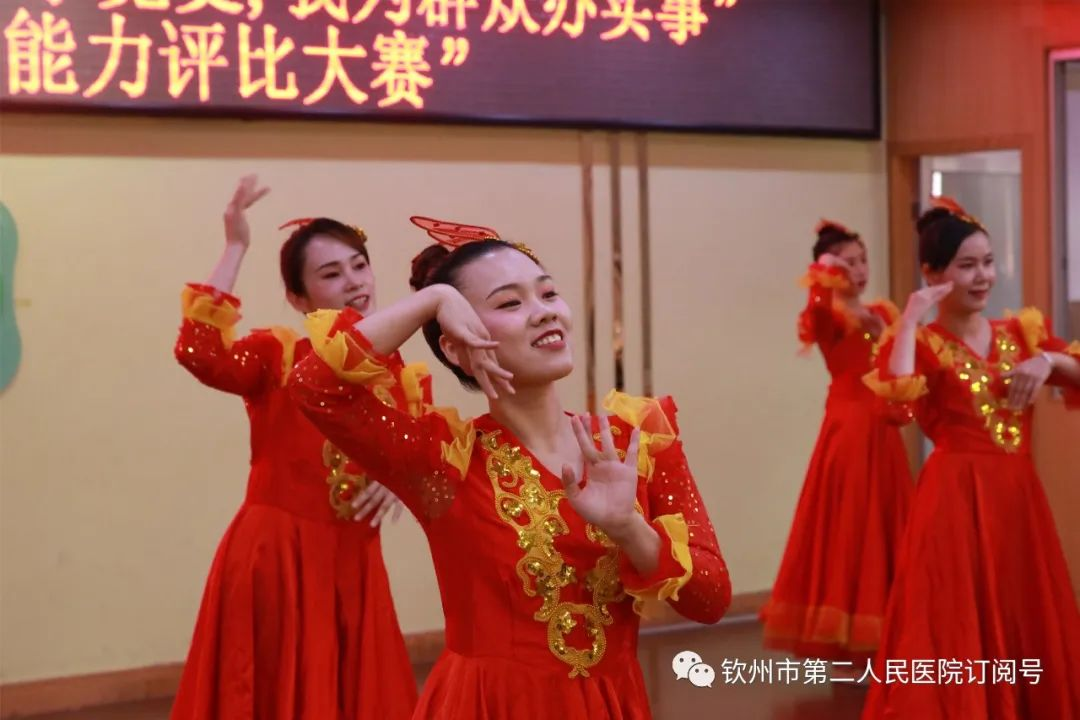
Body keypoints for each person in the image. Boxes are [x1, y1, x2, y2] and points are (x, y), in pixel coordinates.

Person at [288, 215, 732, 719]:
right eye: (509, 303)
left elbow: (711, 600)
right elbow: (314, 386)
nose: (544, 313)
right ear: (455, 346)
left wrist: (631, 529)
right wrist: (432, 301)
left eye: (548, 293)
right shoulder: (444, 460)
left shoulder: (636, 444)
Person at [171, 176, 417, 720]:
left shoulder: (401, 376)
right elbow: (199, 351)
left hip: (353, 563)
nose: (354, 282)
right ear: (297, 298)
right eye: (331, 274)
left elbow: (427, 467)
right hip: (275, 557)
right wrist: (235, 246)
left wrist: (402, 477)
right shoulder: (277, 356)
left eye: (359, 265)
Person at [861, 197, 1080, 719]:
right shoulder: (923, 343)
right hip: (953, 503)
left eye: (988, 262)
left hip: (1018, 502)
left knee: (1022, 610)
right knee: (951, 619)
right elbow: (893, 409)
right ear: (933, 274)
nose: (983, 276)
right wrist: (910, 320)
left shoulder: (1019, 334)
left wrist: (1048, 360)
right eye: (967, 266)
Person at [762, 220, 913, 665]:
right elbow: (816, 308)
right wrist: (827, 270)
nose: (859, 270)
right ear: (829, 270)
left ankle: (891, 635)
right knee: (850, 526)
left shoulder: (882, 313)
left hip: (883, 430)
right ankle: (850, 644)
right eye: (848, 263)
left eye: (863, 261)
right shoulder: (827, 314)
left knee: (886, 522)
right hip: (848, 431)